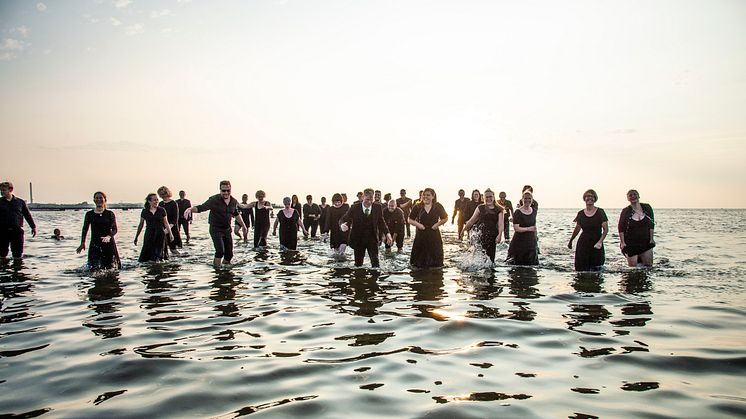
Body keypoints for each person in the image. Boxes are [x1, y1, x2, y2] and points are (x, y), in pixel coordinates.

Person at [184, 181, 247, 267]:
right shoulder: (214, 200)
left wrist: (243, 226)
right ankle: (217, 271)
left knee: (229, 255)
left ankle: (226, 272)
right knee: (220, 251)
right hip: (215, 229)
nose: (226, 193)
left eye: (228, 190)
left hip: (227, 229)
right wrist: (190, 209)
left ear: (230, 189)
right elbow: (201, 207)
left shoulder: (233, 201)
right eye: (223, 191)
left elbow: (236, 214)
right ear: (220, 190)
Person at [340, 188, 392, 268]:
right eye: (367, 199)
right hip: (358, 239)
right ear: (363, 197)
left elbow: (381, 222)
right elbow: (343, 219)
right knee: (358, 264)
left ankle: (374, 279)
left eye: (371, 199)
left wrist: (388, 234)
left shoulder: (377, 207)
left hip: (372, 238)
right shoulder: (354, 207)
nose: (369, 202)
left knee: (375, 264)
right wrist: (342, 225)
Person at [77, 191, 121, 270]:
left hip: (108, 243)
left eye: (101, 198)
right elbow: (85, 229)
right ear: (94, 200)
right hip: (95, 243)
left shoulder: (110, 214)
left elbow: (115, 229)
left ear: (105, 200)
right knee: (93, 267)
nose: (99, 199)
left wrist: (109, 236)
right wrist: (82, 243)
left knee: (111, 267)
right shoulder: (89, 214)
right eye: (96, 198)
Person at [567, 189, 609, 271]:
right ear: (584, 198)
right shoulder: (580, 213)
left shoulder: (600, 212)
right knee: (581, 268)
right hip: (583, 242)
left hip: (596, 242)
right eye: (587, 196)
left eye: (592, 196)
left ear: (595, 199)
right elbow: (577, 228)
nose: (589, 198)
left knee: (597, 268)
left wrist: (600, 241)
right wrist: (571, 240)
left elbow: (606, 229)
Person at [408, 188, 448, 269]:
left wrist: (437, 224)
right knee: (418, 264)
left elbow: (445, 218)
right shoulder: (418, 206)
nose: (425, 197)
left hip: (434, 233)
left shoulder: (438, 206)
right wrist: (418, 225)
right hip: (421, 234)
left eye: (428, 195)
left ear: (433, 196)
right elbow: (409, 219)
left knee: (436, 263)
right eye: (424, 195)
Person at [463, 189, 505, 264]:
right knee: (478, 257)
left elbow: (501, 224)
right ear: (484, 198)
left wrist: (500, 235)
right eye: (486, 197)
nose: (488, 199)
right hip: (480, 235)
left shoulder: (499, 209)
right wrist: (463, 230)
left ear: (493, 197)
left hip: (492, 237)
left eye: (490, 196)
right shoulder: (480, 208)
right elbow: (472, 220)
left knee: (490, 259)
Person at [618, 189, 655, 267]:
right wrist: (622, 242)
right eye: (630, 195)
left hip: (645, 241)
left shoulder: (647, 208)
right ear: (628, 198)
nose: (633, 196)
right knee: (633, 269)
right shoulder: (626, 211)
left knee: (648, 267)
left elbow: (651, 225)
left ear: (638, 196)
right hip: (631, 243)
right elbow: (621, 228)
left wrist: (651, 239)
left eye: (635, 194)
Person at [0, 181, 36, 259]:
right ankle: (3, 270)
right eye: (1, 190)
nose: (2, 192)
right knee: (2, 254)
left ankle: (17, 270)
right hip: (2, 231)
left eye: (4, 190)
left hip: (17, 231)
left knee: (18, 254)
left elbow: (27, 215)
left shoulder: (20, 202)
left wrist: (33, 227)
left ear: (10, 190)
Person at [135, 193, 173, 262]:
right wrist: (136, 237)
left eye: (157, 200)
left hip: (160, 234)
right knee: (146, 256)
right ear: (149, 201)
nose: (156, 202)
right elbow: (141, 225)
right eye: (154, 200)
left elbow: (166, 223)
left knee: (158, 256)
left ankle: (158, 267)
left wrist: (170, 234)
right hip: (149, 234)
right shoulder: (145, 211)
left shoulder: (162, 210)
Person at [507, 190, 538, 265]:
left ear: (532, 200)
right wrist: (528, 229)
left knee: (531, 265)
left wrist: (536, 237)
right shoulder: (518, 212)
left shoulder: (533, 211)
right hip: (519, 242)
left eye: (529, 198)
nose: (527, 200)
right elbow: (516, 228)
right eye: (525, 198)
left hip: (531, 242)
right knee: (518, 265)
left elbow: (534, 226)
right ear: (522, 199)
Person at [158, 186, 181, 255]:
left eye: (164, 193)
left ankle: (180, 261)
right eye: (161, 194)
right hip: (162, 228)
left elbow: (175, 220)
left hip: (172, 228)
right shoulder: (160, 204)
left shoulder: (173, 203)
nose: (163, 196)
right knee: (162, 248)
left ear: (167, 193)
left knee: (173, 249)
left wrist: (167, 230)